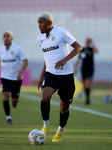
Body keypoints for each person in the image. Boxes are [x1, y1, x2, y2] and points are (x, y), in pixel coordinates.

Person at [37, 12, 82, 142]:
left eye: (42, 22)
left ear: (50, 23)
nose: (39, 25)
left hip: (66, 76)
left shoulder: (61, 32)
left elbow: (78, 47)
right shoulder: (40, 39)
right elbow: (48, 58)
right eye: (38, 22)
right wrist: (41, 76)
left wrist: (64, 60)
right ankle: (46, 126)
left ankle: (60, 130)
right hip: (51, 74)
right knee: (45, 97)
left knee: (64, 109)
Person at [0, 31, 28, 125]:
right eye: (4, 36)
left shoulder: (17, 48)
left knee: (14, 100)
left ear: (11, 38)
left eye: (8, 36)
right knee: (5, 96)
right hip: (5, 76)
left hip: (16, 78)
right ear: (2, 38)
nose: (6, 38)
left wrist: (20, 72)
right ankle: (9, 118)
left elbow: (26, 61)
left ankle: (15, 102)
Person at [74, 38, 98, 104]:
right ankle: (86, 97)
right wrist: (75, 68)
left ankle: (88, 99)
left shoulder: (91, 49)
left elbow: (96, 51)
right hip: (83, 68)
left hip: (90, 68)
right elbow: (78, 59)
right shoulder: (82, 49)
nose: (87, 43)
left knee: (87, 82)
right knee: (84, 83)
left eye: (88, 42)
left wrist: (92, 43)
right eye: (86, 41)